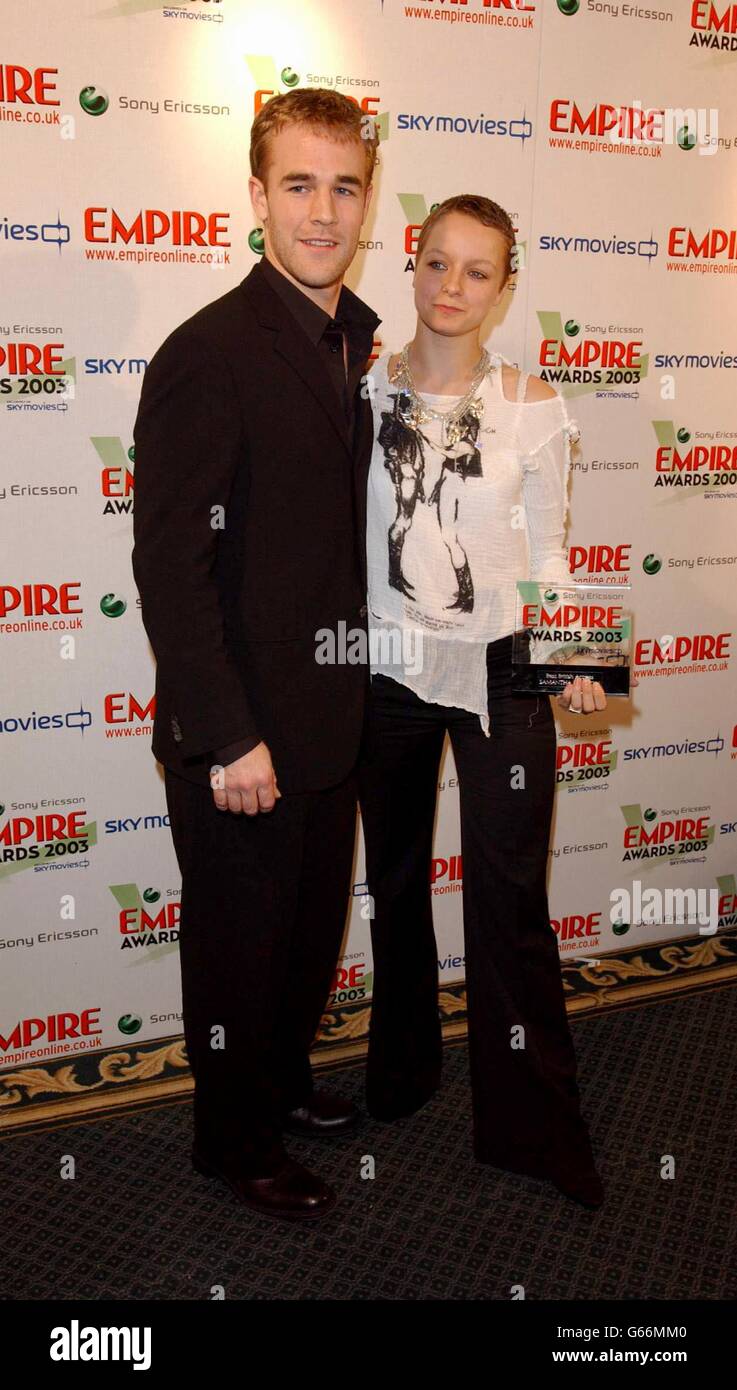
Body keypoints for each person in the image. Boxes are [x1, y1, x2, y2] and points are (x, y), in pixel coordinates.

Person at [131, 88, 381, 1220]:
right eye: (297, 184)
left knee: (302, 936)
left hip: (331, 719)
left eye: (342, 185)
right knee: (238, 952)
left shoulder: (355, 340)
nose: (321, 211)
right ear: (254, 197)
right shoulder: (208, 352)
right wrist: (229, 734)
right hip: (241, 736)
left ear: (366, 200)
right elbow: (170, 567)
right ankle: (231, 1142)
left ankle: (276, 1083)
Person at [357, 195, 609, 1209]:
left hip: (503, 666)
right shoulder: (359, 392)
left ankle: (531, 1124)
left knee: (508, 903)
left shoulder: (533, 404)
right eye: (435, 263)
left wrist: (575, 655)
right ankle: (404, 1068)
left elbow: (548, 547)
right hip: (385, 667)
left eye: (476, 271)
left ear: (503, 289)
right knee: (398, 880)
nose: (450, 287)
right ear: (410, 267)